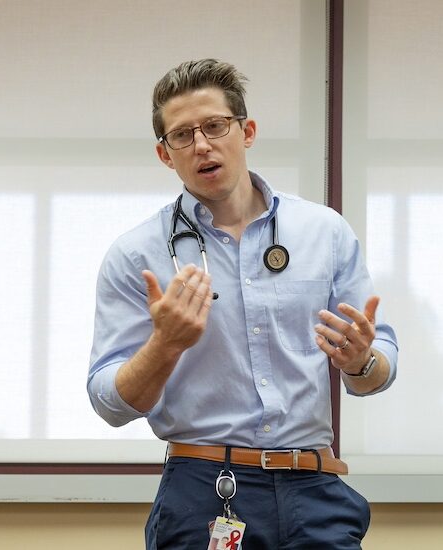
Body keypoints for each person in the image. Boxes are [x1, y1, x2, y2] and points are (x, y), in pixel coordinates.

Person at [87, 59, 397, 549]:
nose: (202, 145)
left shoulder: (323, 232)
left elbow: (379, 370)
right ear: (165, 155)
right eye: (182, 135)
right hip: (203, 489)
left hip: (315, 489)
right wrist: (165, 346)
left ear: (246, 131)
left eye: (215, 126)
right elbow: (108, 402)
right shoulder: (136, 255)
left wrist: (360, 361)